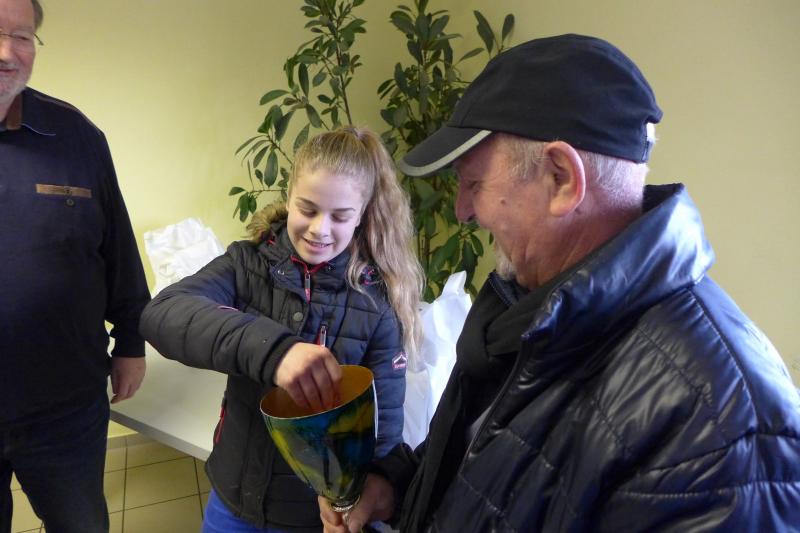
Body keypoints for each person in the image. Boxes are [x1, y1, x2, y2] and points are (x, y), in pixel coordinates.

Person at [319, 34, 800, 532]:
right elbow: (489, 468)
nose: (462, 211)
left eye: (474, 183)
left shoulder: (723, 433)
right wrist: (396, 487)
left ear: (561, 178)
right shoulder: (532, 309)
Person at [140, 126, 423, 532]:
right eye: (307, 209)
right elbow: (163, 313)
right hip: (236, 498)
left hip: (317, 515)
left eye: (340, 216)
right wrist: (276, 352)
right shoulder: (247, 264)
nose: (320, 229)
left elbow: (383, 433)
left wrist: (357, 503)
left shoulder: (375, 304)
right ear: (289, 196)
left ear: (361, 215)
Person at [0, 0, 151, 531]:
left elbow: (117, 249)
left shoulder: (76, 136)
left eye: (22, 37)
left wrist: (131, 342)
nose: (7, 52)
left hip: (65, 406)